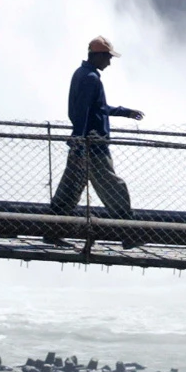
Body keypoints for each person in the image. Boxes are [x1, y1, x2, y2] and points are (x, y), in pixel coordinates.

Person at [48, 37, 144, 235]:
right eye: (108, 57)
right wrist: (82, 141)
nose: (109, 62)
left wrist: (125, 112)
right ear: (98, 55)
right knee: (113, 187)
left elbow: (96, 109)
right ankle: (128, 232)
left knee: (69, 190)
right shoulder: (90, 78)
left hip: (82, 144)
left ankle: (52, 231)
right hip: (93, 145)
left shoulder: (83, 74)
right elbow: (83, 112)